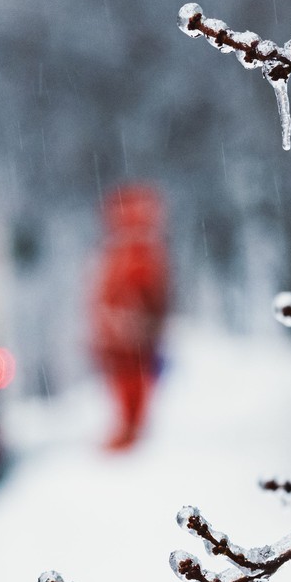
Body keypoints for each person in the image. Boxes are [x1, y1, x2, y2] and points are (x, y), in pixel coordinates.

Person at [90, 184, 169, 451]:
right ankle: (129, 427)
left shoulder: (135, 252)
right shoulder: (127, 250)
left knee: (131, 380)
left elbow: (147, 294)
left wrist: (127, 319)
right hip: (121, 333)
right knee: (127, 381)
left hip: (127, 333)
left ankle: (130, 429)